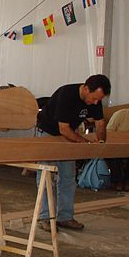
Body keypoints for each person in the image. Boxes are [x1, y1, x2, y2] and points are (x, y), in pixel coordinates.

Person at [36, 74, 111, 231]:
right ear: (85, 88)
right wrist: (84, 143)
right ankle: (45, 217)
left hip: (69, 134)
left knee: (68, 177)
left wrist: (101, 143)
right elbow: (63, 128)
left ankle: (65, 217)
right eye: (94, 98)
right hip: (48, 133)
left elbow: (100, 122)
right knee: (45, 177)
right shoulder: (66, 95)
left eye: (99, 100)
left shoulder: (96, 98)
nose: (96, 103)